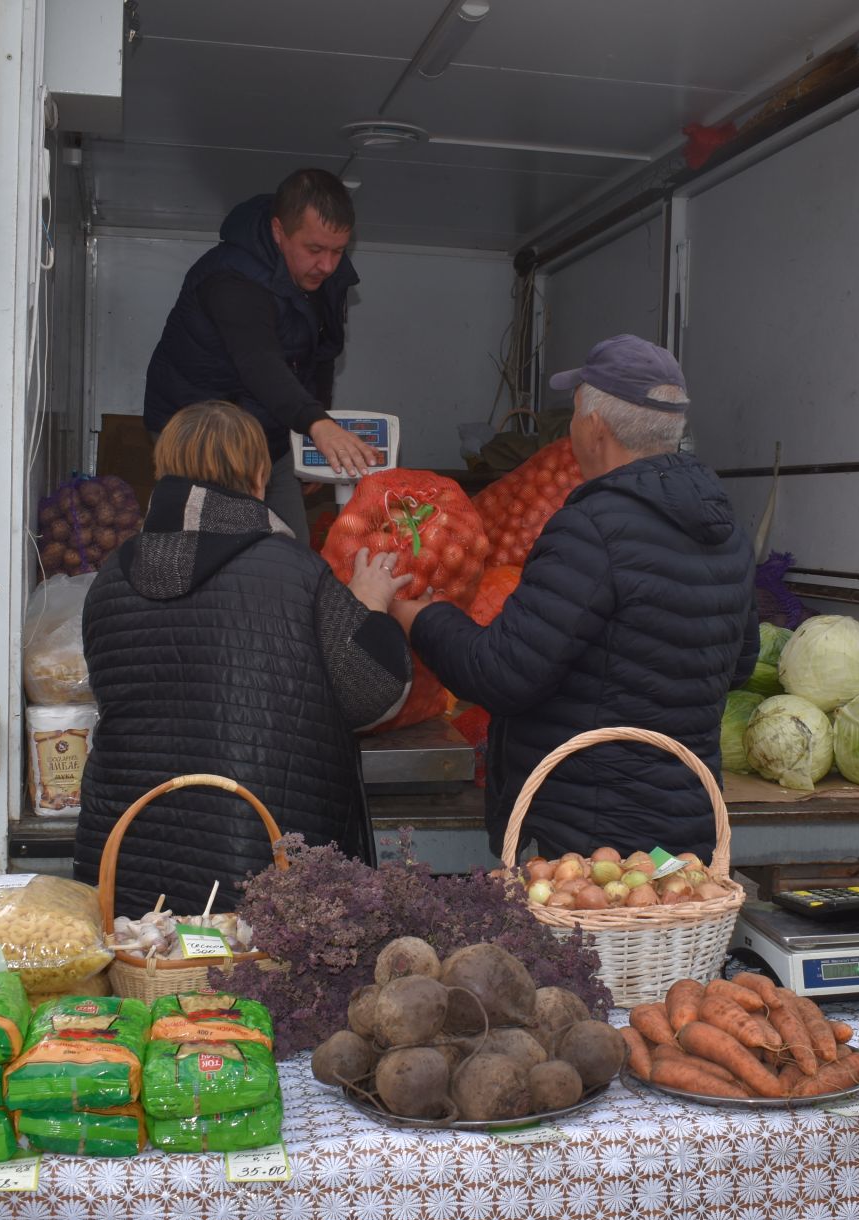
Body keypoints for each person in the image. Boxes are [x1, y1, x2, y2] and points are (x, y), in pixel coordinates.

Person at [390, 334, 757, 858]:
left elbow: (502, 674)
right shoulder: (725, 528)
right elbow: (738, 665)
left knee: (590, 944)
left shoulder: (590, 529)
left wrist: (419, 617)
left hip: (589, 843)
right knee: (660, 941)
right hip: (685, 829)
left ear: (593, 428)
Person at [73, 401, 412, 917]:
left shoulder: (111, 578)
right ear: (259, 476)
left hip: (131, 869)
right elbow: (375, 695)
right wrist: (369, 603)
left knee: (150, 992)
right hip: (259, 869)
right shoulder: (294, 570)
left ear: (162, 470)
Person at [142, 169, 381, 542]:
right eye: (315, 249)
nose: (328, 265)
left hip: (269, 428)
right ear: (277, 231)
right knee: (211, 552)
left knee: (292, 553)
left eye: (338, 251)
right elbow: (259, 363)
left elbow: (321, 356)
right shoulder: (231, 280)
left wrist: (309, 440)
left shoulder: (325, 276)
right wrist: (317, 425)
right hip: (199, 432)